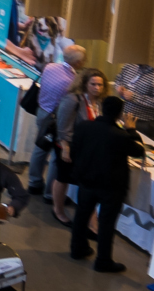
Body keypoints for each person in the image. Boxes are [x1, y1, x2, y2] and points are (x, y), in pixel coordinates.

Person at [69, 96, 144, 273]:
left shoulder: (84, 127)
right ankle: (103, 260)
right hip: (111, 187)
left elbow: (75, 151)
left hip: (86, 181)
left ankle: (77, 249)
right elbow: (139, 151)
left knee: (81, 216)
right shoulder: (121, 136)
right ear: (119, 114)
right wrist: (131, 130)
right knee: (106, 224)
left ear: (101, 109)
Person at [29, 43, 85, 202]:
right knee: (56, 155)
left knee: (40, 147)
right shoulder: (72, 82)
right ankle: (50, 193)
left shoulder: (50, 67)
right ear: (78, 63)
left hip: (42, 112)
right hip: (57, 119)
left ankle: (34, 182)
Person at [53, 67, 106, 227]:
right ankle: (58, 210)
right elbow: (63, 126)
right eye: (93, 84)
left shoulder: (100, 103)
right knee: (63, 178)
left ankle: (90, 219)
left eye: (100, 85)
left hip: (87, 150)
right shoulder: (73, 100)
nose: (97, 88)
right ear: (85, 84)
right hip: (68, 146)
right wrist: (66, 147)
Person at [113, 63, 154, 141]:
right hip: (123, 117)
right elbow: (119, 78)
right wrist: (118, 86)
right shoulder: (129, 65)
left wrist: (135, 97)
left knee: (139, 150)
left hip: (143, 123)